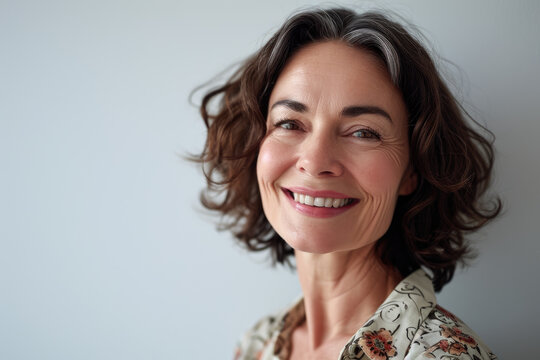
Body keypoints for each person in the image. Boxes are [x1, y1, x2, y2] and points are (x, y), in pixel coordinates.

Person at [194, 7, 501, 360]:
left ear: (413, 169)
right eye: (290, 123)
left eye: (363, 132)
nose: (315, 161)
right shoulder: (257, 345)